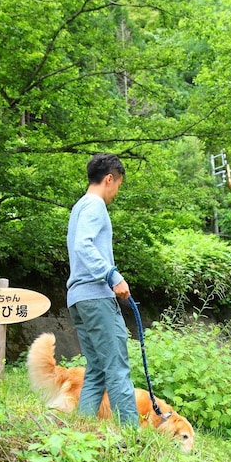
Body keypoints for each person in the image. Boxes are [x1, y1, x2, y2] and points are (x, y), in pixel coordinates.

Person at [66, 153, 139, 426]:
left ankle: (81, 428)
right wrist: (111, 275)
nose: (116, 191)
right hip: (96, 296)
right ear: (109, 179)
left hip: (78, 299)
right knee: (117, 367)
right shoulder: (95, 206)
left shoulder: (78, 208)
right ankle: (133, 437)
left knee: (96, 367)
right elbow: (84, 245)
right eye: (118, 184)